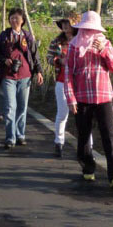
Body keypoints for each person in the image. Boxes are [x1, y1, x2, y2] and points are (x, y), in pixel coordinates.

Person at [64, 10, 113, 188]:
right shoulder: (74, 46)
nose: (90, 32)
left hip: (103, 96)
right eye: (87, 29)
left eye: (93, 29)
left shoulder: (105, 43)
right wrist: (71, 98)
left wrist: (104, 51)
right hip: (82, 97)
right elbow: (68, 73)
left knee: (108, 136)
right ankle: (88, 168)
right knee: (83, 135)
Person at [0, 8, 43, 149]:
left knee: (22, 107)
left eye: (17, 18)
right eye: (12, 17)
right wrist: (4, 60)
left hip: (25, 76)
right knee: (10, 107)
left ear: (23, 21)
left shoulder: (27, 36)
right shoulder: (4, 36)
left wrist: (39, 71)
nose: (14, 20)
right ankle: (10, 137)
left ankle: (20, 135)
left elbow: (35, 55)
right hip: (8, 76)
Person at [47, 13, 87, 158]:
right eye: (63, 23)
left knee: (83, 116)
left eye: (68, 23)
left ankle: (88, 146)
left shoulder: (82, 40)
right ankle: (59, 142)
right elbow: (49, 58)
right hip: (62, 80)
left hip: (80, 82)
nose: (65, 26)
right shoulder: (57, 41)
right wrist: (59, 61)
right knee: (62, 113)